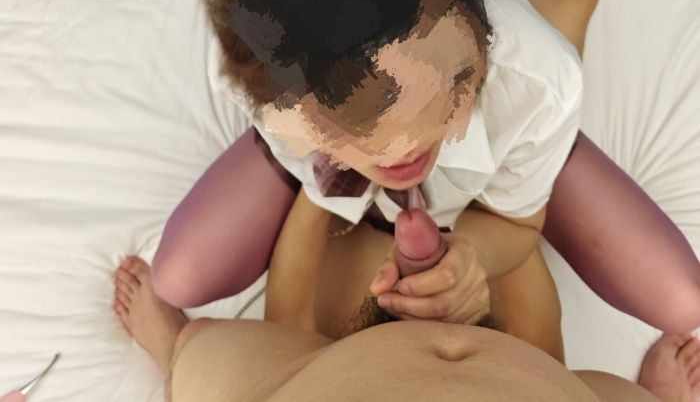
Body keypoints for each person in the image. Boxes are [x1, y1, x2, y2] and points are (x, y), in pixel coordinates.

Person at [149, 0, 700, 346]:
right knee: (177, 278)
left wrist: (476, 255)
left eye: (422, 110)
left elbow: (519, 224)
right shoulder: (268, 76)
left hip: (505, 95)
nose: (399, 154)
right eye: (360, 133)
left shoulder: (534, 77)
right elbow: (312, 203)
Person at [111, 185, 700, 401]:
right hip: (545, 379)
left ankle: (172, 351)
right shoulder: (536, 337)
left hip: (308, 376)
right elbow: (519, 220)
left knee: (197, 351)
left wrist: (323, 189)